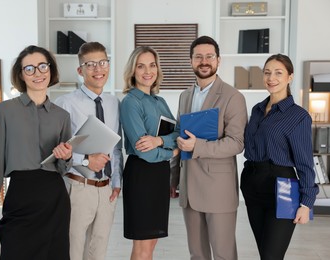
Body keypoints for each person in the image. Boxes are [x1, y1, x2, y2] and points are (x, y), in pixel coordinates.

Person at [0, 45, 73, 260]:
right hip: (20, 195)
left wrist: (66, 156)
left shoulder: (62, 116)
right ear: (21, 75)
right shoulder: (4, 111)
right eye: (29, 69)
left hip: (54, 199)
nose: (38, 73)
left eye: (42, 66)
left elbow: (63, 168)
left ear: (50, 69)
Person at [170, 35, 248, 260]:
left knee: (223, 254)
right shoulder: (185, 95)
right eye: (198, 57)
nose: (204, 61)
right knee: (197, 254)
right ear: (191, 61)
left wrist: (198, 146)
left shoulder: (233, 96)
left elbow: (236, 143)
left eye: (209, 56)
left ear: (218, 60)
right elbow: (179, 137)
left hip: (218, 190)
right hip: (189, 188)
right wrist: (173, 179)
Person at [240, 54, 319, 260]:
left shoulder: (298, 116)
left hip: (282, 186)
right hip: (252, 184)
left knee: (271, 256)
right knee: (264, 251)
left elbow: (304, 162)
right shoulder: (257, 110)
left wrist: (306, 202)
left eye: (278, 73)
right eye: (267, 73)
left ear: (290, 77)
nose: (271, 78)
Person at [54, 41, 123, 260]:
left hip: (106, 190)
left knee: (98, 252)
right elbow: (56, 151)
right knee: (72, 250)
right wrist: (85, 161)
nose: (98, 69)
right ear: (80, 70)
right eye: (90, 64)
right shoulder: (65, 103)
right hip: (78, 187)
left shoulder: (114, 103)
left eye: (103, 62)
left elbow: (117, 148)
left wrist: (116, 182)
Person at [120, 46, 179, 260]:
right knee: (142, 245)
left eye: (152, 65)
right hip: (142, 175)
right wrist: (170, 152)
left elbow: (178, 133)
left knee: (151, 242)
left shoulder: (159, 101)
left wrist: (159, 140)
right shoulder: (130, 102)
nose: (148, 71)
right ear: (133, 71)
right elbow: (143, 151)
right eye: (141, 66)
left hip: (159, 176)